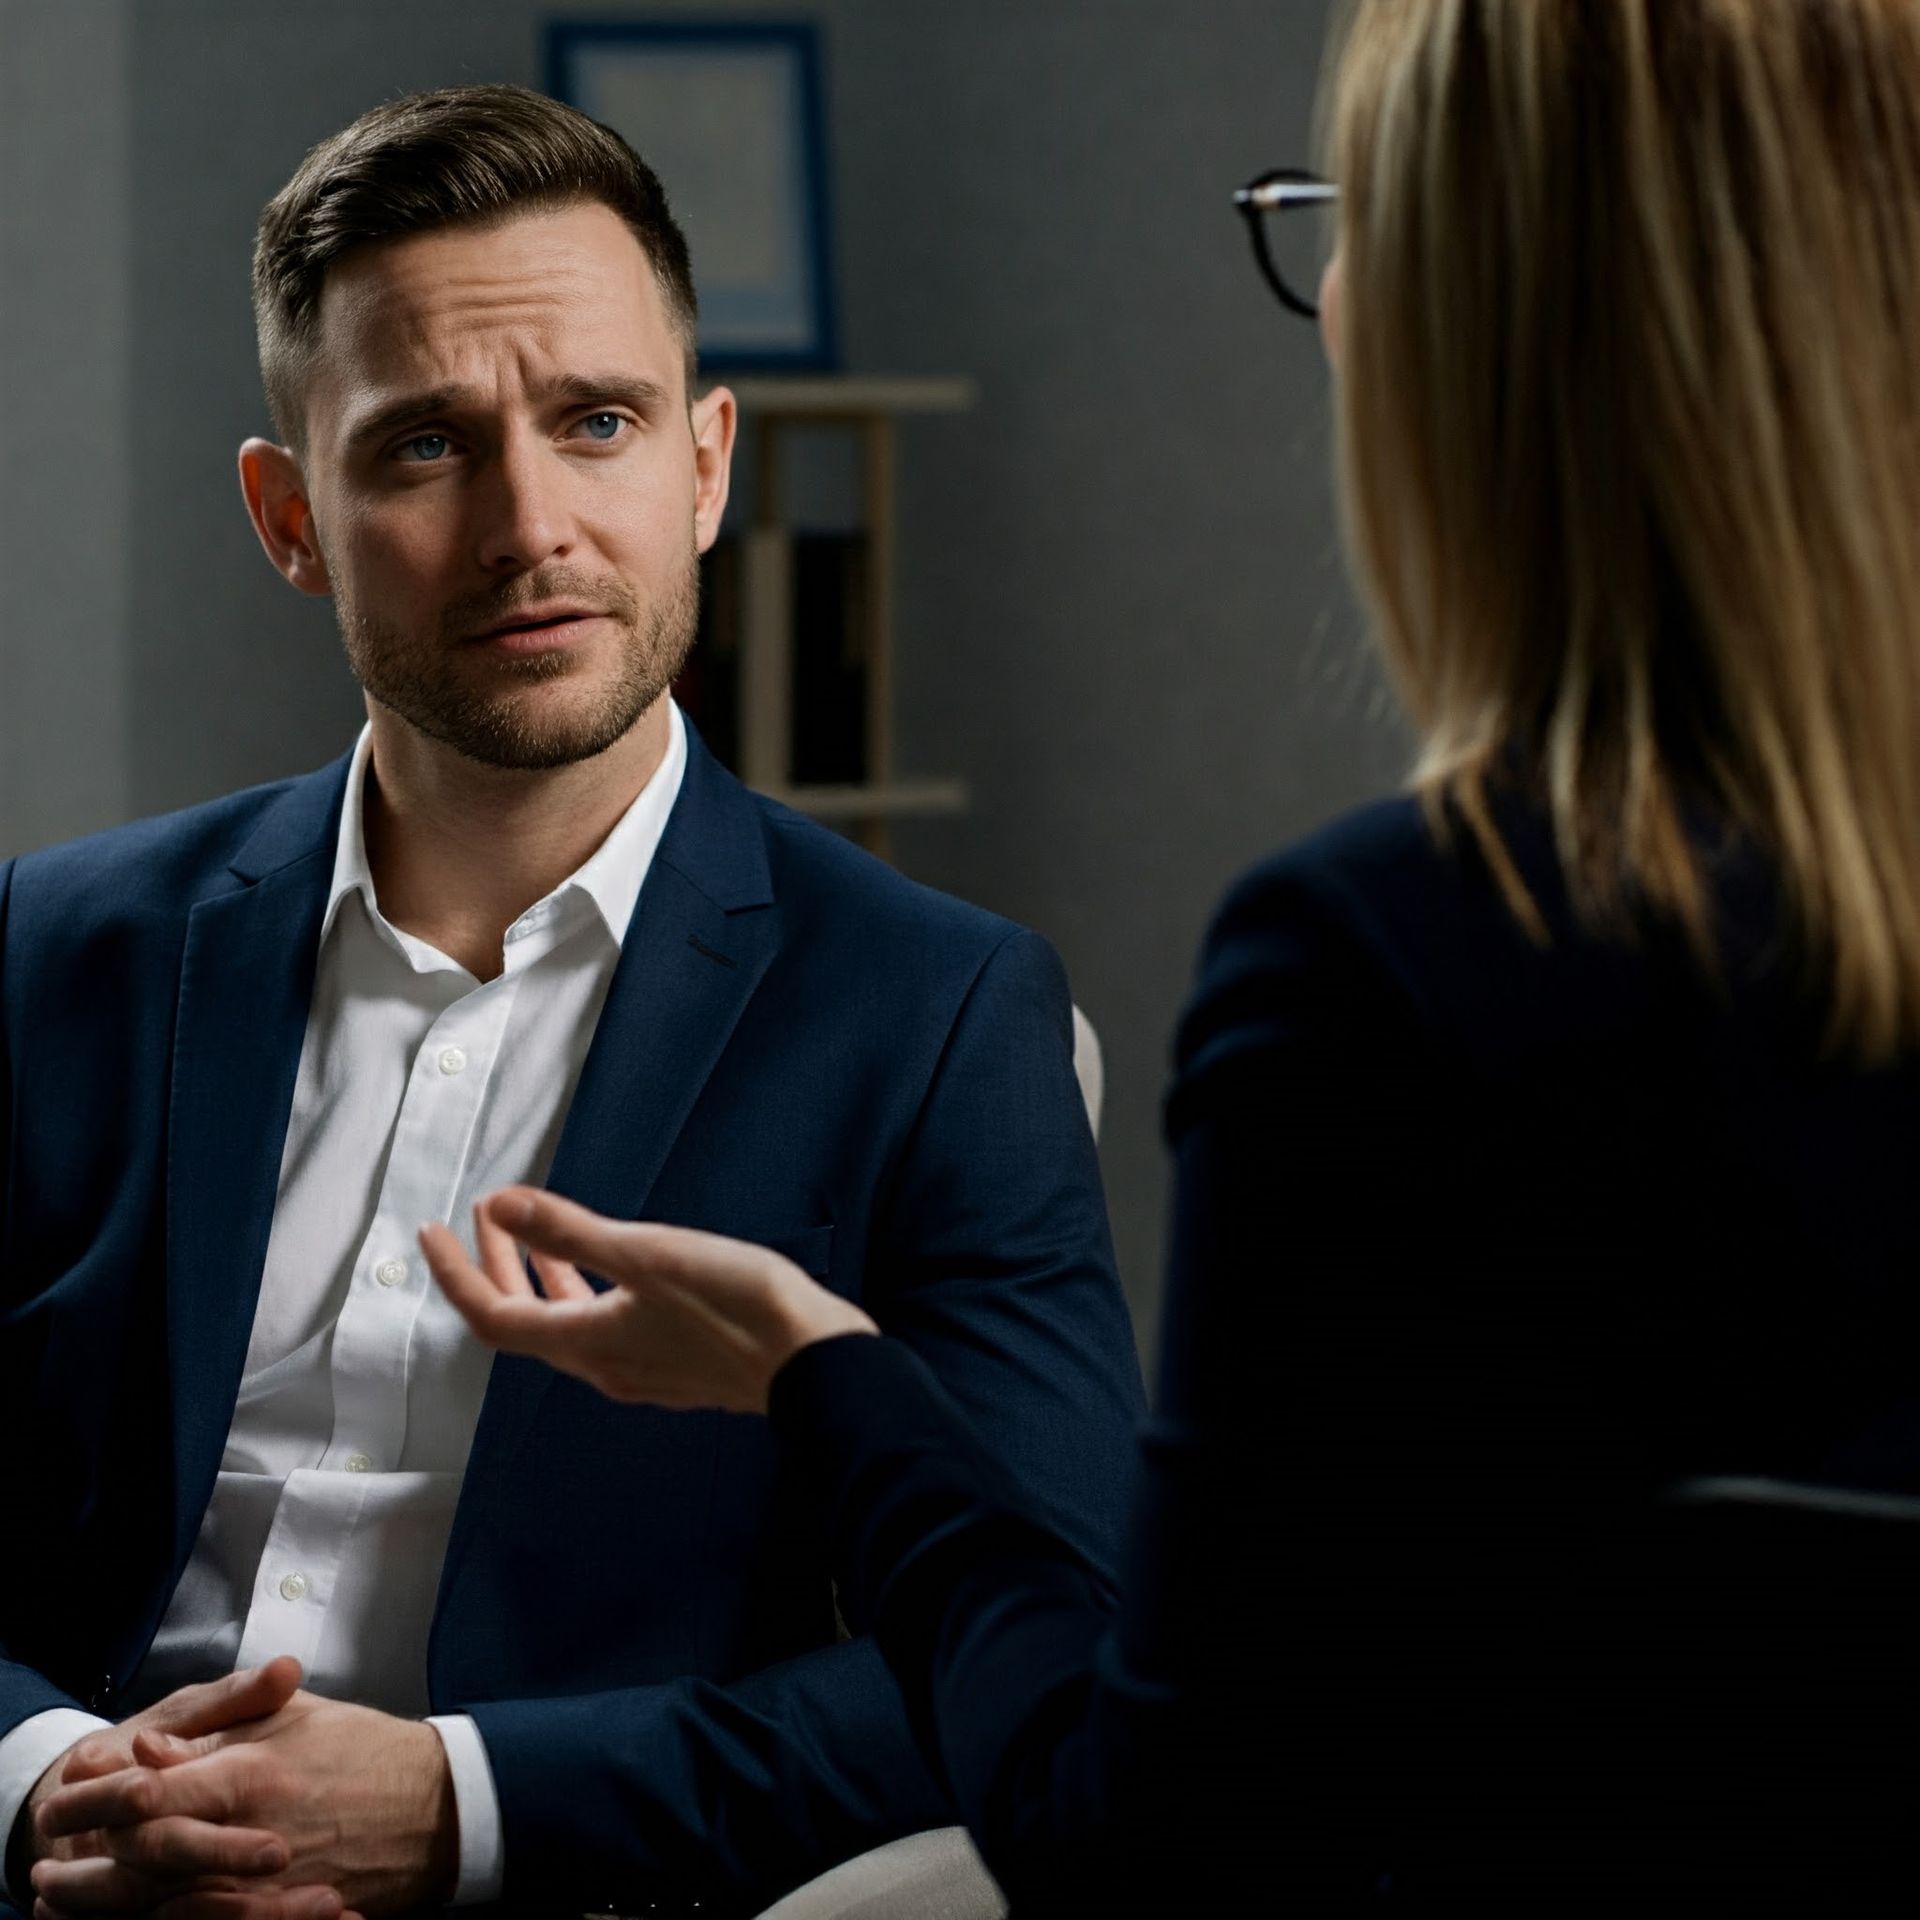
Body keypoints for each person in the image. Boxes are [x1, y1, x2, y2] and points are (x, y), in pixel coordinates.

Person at [400, 1, 1920, 1910]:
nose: (1340, 289)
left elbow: (1149, 1837)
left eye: (1364, 216)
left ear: (1492, 317)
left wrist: (833, 1385)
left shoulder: (1400, 969)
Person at [0, 83, 1145, 1920]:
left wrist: (459, 1804)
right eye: (427, 447)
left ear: (705, 464)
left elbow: (1062, 1642)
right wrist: (43, 1783)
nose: (531, 524)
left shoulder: (935, 1014)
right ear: (293, 517)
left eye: (595, 422)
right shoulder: (50, 948)